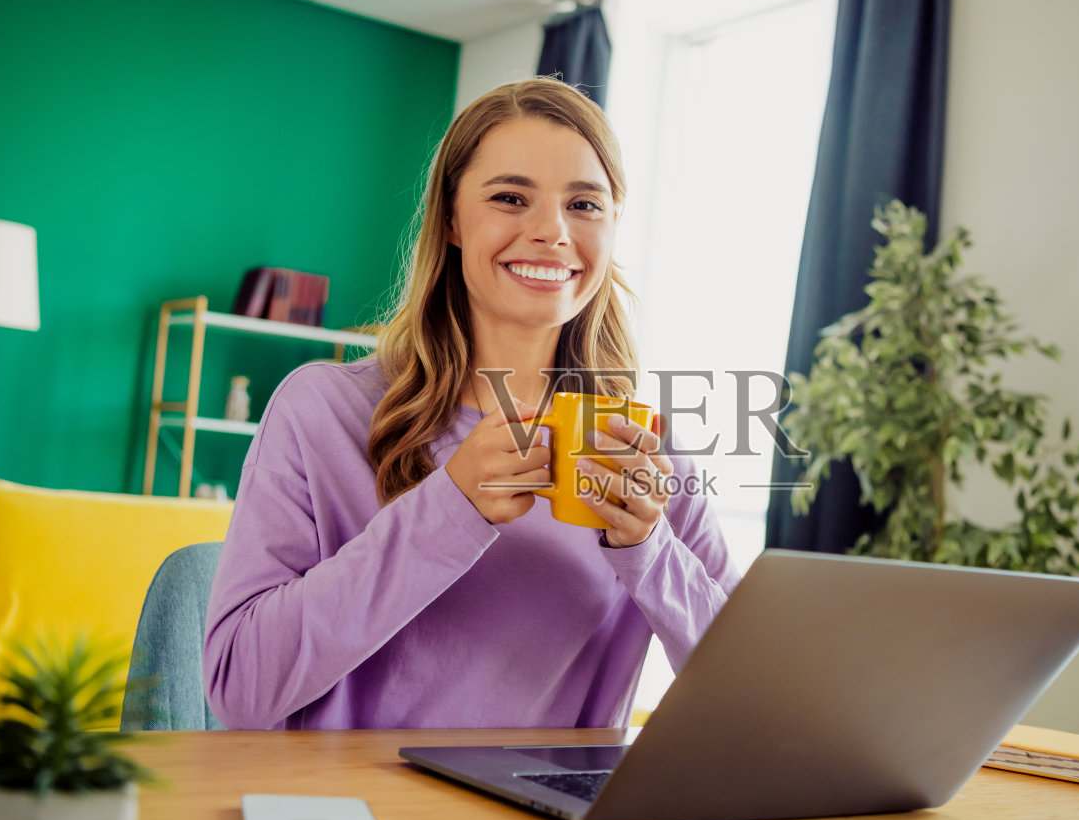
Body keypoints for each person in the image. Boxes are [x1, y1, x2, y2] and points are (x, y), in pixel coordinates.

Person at [203, 78, 741, 730]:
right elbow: (237, 690)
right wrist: (448, 509)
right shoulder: (324, 412)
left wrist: (650, 550)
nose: (552, 231)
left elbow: (753, 700)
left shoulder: (646, 451)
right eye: (511, 198)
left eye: (584, 204)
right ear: (451, 219)